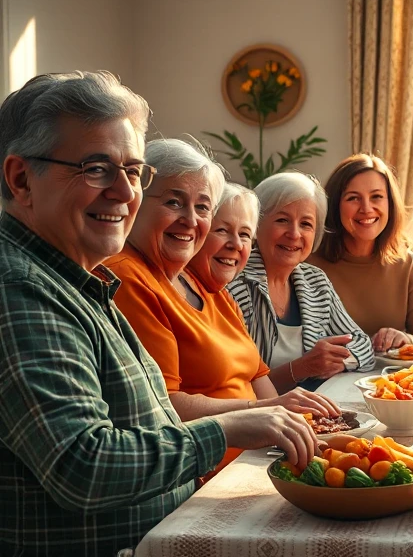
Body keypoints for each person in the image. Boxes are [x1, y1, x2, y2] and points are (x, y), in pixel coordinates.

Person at [0, 71, 317, 555]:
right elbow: (83, 467)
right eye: (96, 169)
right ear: (21, 179)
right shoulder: (21, 290)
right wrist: (229, 428)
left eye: (133, 172)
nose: (126, 193)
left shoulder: (76, 279)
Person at [107, 139, 340, 474]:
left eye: (202, 207)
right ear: (136, 200)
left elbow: (257, 374)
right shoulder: (129, 278)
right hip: (210, 471)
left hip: (256, 459)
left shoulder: (207, 286)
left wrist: (285, 418)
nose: (190, 219)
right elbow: (163, 405)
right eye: (174, 202)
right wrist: (266, 410)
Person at [228, 172, 374, 393]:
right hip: (264, 410)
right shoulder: (236, 284)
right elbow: (238, 385)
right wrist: (302, 368)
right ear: (256, 224)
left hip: (316, 404)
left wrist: (340, 360)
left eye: (306, 224)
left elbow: (362, 343)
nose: (294, 234)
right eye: (282, 220)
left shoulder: (315, 281)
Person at [308, 153, 413, 351]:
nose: (366, 208)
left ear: (390, 203)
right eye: (353, 198)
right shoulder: (308, 265)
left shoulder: (408, 266)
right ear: (334, 206)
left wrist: (407, 339)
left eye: (376, 196)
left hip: (389, 371)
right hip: (331, 371)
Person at [188, 182, 259, 292]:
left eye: (244, 234)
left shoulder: (225, 298)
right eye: (222, 230)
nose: (237, 245)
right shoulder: (172, 295)